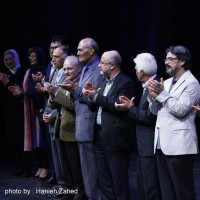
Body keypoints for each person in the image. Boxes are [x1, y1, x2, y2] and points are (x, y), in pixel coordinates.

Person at [147, 45, 200, 200]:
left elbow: (181, 109)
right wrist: (153, 98)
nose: (166, 62)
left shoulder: (192, 83)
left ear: (182, 61)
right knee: (167, 192)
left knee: (183, 192)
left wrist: (161, 94)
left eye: (170, 59)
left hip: (180, 146)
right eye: (166, 59)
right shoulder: (167, 82)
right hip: (162, 144)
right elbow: (155, 112)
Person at [82, 50, 135, 200]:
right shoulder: (102, 80)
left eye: (102, 63)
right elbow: (95, 105)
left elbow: (118, 105)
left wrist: (96, 97)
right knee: (104, 179)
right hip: (99, 135)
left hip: (116, 139)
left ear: (112, 65)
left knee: (118, 181)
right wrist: (90, 96)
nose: (99, 65)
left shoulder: (126, 82)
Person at [115, 53, 161, 200]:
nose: (135, 71)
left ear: (141, 71)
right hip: (143, 146)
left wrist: (130, 108)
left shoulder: (155, 86)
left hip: (149, 146)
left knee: (150, 187)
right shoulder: (146, 87)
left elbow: (149, 117)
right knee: (143, 186)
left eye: (136, 68)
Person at [46, 55, 87, 200]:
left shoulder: (80, 84)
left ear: (79, 69)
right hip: (61, 128)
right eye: (65, 69)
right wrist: (52, 93)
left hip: (73, 129)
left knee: (76, 167)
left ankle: (79, 193)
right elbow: (52, 104)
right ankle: (70, 192)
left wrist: (56, 92)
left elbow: (73, 106)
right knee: (66, 167)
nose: (67, 71)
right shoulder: (64, 81)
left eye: (70, 68)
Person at [8, 47, 48, 178]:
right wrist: (19, 92)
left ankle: (45, 167)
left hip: (40, 109)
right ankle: (41, 166)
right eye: (29, 56)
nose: (30, 58)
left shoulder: (44, 70)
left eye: (33, 56)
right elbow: (27, 89)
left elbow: (37, 92)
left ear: (39, 56)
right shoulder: (29, 71)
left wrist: (23, 92)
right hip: (29, 110)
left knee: (41, 140)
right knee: (35, 140)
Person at [36, 35, 71, 185]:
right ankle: (57, 177)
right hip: (50, 111)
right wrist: (43, 87)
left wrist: (54, 114)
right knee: (53, 151)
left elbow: (66, 97)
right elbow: (52, 91)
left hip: (63, 117)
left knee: (64, 156)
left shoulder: (67, 69)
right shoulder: (52, 66)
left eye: (55, 49)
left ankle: (64, 183)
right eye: (50, 49)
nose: (52, 53)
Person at [72, 38, 102, 200]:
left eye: (80, 50)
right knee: (86, 169)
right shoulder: (86, 68)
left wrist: (75, 90)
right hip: (82, 123)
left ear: (91, 51)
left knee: (92, 169)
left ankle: (95, 197)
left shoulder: (97, 69)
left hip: (90, 124)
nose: (77, 53)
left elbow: (92, 96)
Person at [0, 49, 25, 162]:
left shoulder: (23, 71)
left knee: (21, 136)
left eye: (10, 59)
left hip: (21, 108)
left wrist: (7, 83)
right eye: (6, 60)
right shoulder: (5, 74)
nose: (8, 61)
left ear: (16, 59)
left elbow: (17, 89)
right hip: (10, 110)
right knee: (12, 137)